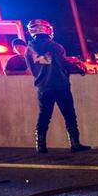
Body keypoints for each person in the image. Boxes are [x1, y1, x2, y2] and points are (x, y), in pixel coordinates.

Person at [23, 19, 90, 153]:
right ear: (47, 29)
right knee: (69, 115)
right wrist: (79, 69)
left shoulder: (28, 51)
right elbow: (63, 63)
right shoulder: (55, 46)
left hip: (43, 87)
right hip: (60, 85)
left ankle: (40, 145)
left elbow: (33, 70)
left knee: (44, 116)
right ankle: (75, 144)